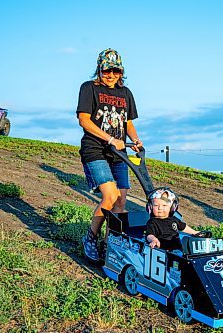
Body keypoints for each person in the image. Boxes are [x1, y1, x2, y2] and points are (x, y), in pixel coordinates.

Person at [77, 48, 143, 262]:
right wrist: (110, 139)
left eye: (116, 71)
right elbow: (84, 120)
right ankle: (91, 238)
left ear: (121, 72)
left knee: (121, 203)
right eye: (107, 71)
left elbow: (128, 123)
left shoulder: (126, 93)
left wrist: (135, 140)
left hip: (119, 154)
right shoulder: (89, 88)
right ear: (99, 69)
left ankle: (109, 246)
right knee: (110, 196)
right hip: (95, 149)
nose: (111, 75)